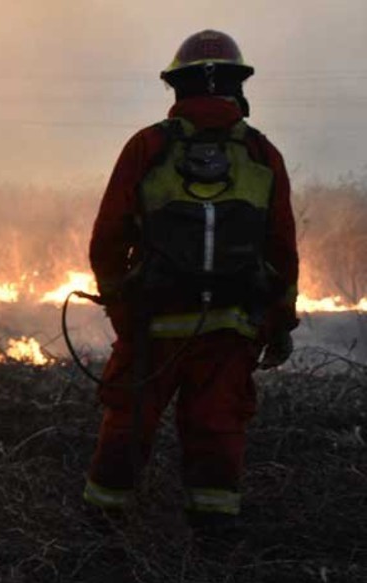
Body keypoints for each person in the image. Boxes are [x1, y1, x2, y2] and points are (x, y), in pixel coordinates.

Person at [83, 30, 300, 529]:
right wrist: (278, 324)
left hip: (152, 326)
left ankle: (102, 536)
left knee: (128, 423)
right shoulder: (261, 155)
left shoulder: (148, 147)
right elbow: (282, 251)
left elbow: (108, 239)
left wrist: (123, 312)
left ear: (178, 87)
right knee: (218, 430)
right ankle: (213, 541)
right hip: (230, 330)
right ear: (236, 86)